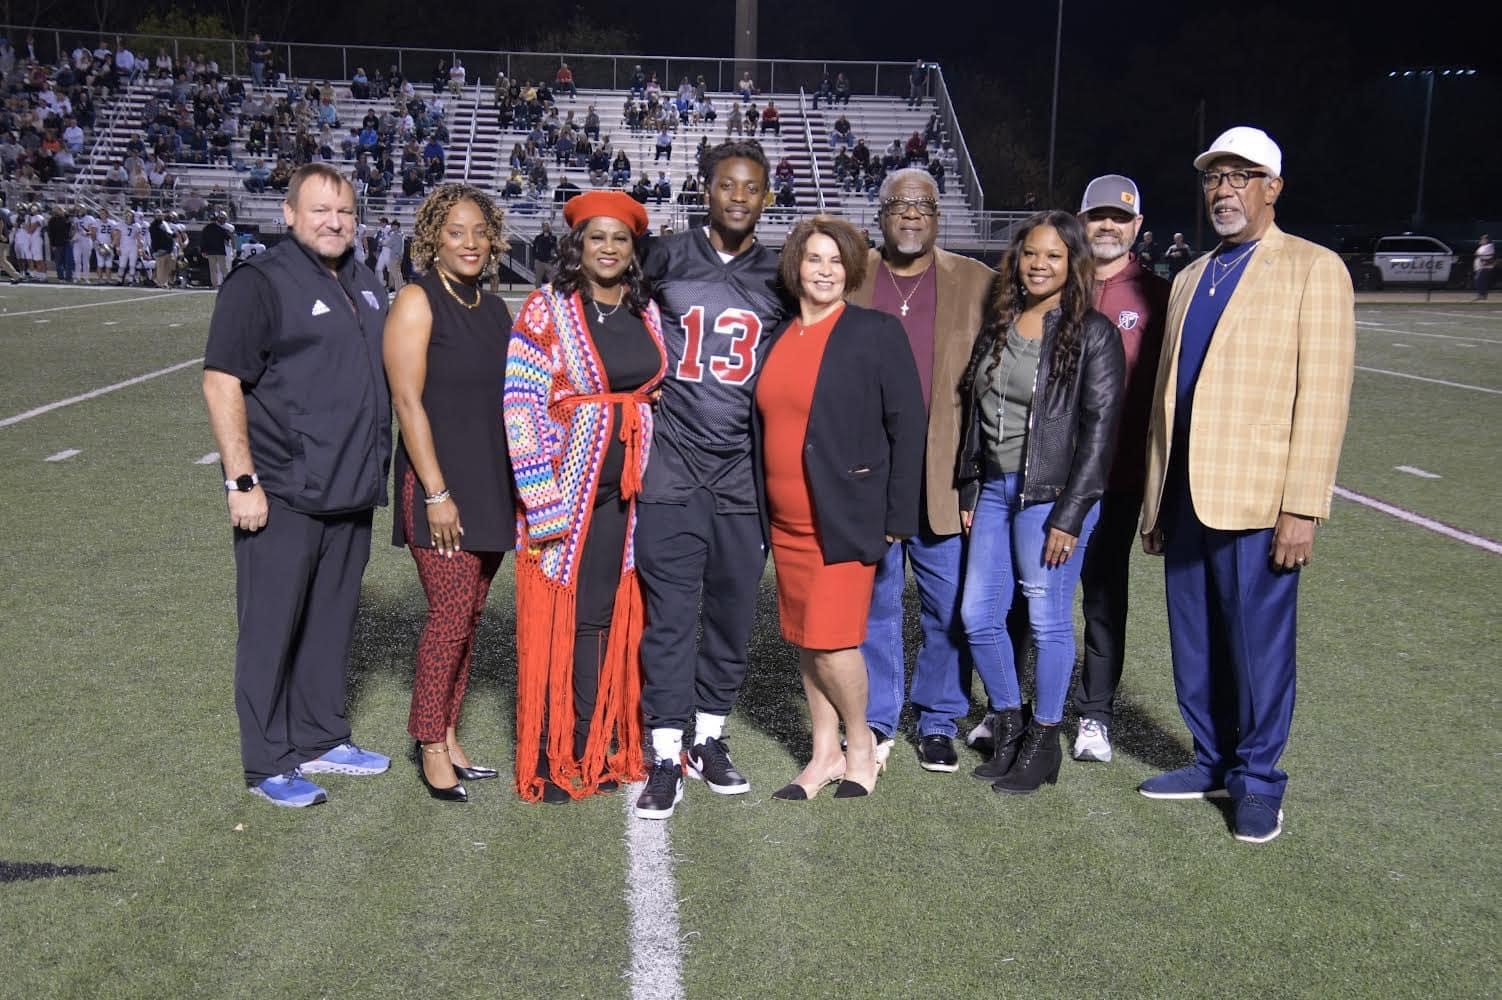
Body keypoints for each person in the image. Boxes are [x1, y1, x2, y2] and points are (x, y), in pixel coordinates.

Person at [1138, 126, 1355, 844]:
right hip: (1187, 495)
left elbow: (1323, 397)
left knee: (1258, 647)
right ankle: (1211, 761)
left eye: (1241, 176)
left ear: (1273, 187)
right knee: (1194, 641)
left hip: (1260, 498)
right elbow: (1170, 397)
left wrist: (1302, 506)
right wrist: (1158, 496)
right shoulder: (1194, 275)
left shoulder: (1312, 268)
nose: (1223, 190)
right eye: (1214, 178)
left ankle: (1258, 782)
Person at [201, 163, 393, 808]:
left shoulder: (365, 281)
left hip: (351, 487)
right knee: (270, 627)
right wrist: (241, 480)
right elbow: (222, 379)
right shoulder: (260, 282)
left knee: (331, 622)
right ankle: (266, 761)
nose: (333, 222)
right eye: (318, 211)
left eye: (343, 211)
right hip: (282, 488)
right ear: (289, 214)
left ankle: (319, 735)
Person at [633, 139, 790, 820]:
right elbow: (611, 316)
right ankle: (666, 749)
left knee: (730, 612)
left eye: (751, 187)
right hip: (673, 465)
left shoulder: (783, 274)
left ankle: (708, 736)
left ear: (766, 198)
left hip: (742, 474)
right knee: (669, 617)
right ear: (707, 190)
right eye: (727, 184)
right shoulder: (664, 255)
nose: (738, 197)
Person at [503, 190, 667, 804]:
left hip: (625, 495)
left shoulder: (643, 308)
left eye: (620, 238)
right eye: (597, 237)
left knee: (600, 617)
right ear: (578, 244)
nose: (608, 248)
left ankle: (589, 743)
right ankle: (548, 755)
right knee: (558, 617)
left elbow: (651, 389)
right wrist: (541, 500)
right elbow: (519, 405)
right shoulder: (547, 308)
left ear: (633, 249)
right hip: (565, 492)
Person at [955, 210, 1125, 794]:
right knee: (979, 615)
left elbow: (1100, 433)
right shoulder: (1001, 320)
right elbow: (976, 415)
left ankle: (1044, 740)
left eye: (1053, 255)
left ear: (1072, 262)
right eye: (1030, 252)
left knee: (1049, 620)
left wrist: (1070, 516)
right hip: (995, 492)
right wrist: (970, 482)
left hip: (1050, 498)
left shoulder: (1093, 332)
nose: (1039, 264)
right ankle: (1010, 723)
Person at [756, 215, 925, 801]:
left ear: (850, 270)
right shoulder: (778, 335)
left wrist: (899, 518)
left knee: (833, 639)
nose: (824, 271)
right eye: (813, 259)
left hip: (845, 517)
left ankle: (861, 747)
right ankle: (823, 752)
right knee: (806, 638)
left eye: (835, 261)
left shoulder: (874, 332)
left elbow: (909, 428)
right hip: (786, 520)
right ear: (796, 267)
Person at [847, 168, 994, 773]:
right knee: (875, 603)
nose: (911, 215)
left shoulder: (979, 282)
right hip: (868, 474)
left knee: (947, 605)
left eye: (923, 206)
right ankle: (879, 715)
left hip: (944, 477)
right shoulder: (851, 276)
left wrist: (978, 477)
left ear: (940, 216)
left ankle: (937, 718)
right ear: (879, 213)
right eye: (898, 204)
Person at [384, 184, 515, 803]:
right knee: (448, 611)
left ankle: (450, 731)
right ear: (434, 236)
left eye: (479, 231)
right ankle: (429, 740)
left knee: (470, 614)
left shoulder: (494, 309)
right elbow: (407, 400)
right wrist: (436, 492)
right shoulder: (417, 299)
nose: (469, 242)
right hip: (441, 486)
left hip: (490, 483)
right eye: (456, 230)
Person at [1064, 175, 1169, 765]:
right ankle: (1024, 708)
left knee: (1103, 598)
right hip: (1049, 478)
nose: (1108, 226)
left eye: (1119, 218)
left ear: (1136, 227)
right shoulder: (1055, 284)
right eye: (1098, 216)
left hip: (1116, 479)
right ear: (1082, 222)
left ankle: (1095, 715)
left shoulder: (1157, 295)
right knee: (1034, 598)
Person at [531, 221, 558, 286]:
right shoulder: (538, 237)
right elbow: (534, 248)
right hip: (540, 261)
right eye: (544, 226)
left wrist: (555, 258)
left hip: (549, 261)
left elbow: (555, 247)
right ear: (542, 227)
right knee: (538, 281)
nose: (546, 227)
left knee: (552, 280)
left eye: (547, 226)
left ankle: (552, 293)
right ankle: (538, 294)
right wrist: (536, 257)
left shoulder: (553, 237)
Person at [1473, 234, 1494, 300]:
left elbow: (1481, 254)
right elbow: (1476, 253)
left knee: (1479, 279)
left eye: (1483, 239)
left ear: (1487, 240)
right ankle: (1482, 295)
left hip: (1485, 266)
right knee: (1480, 280)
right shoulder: (1482, 246)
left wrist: (1478, 254)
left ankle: (1482, 295)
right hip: (1479, 266)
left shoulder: (1489, 246)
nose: (1481, 240)